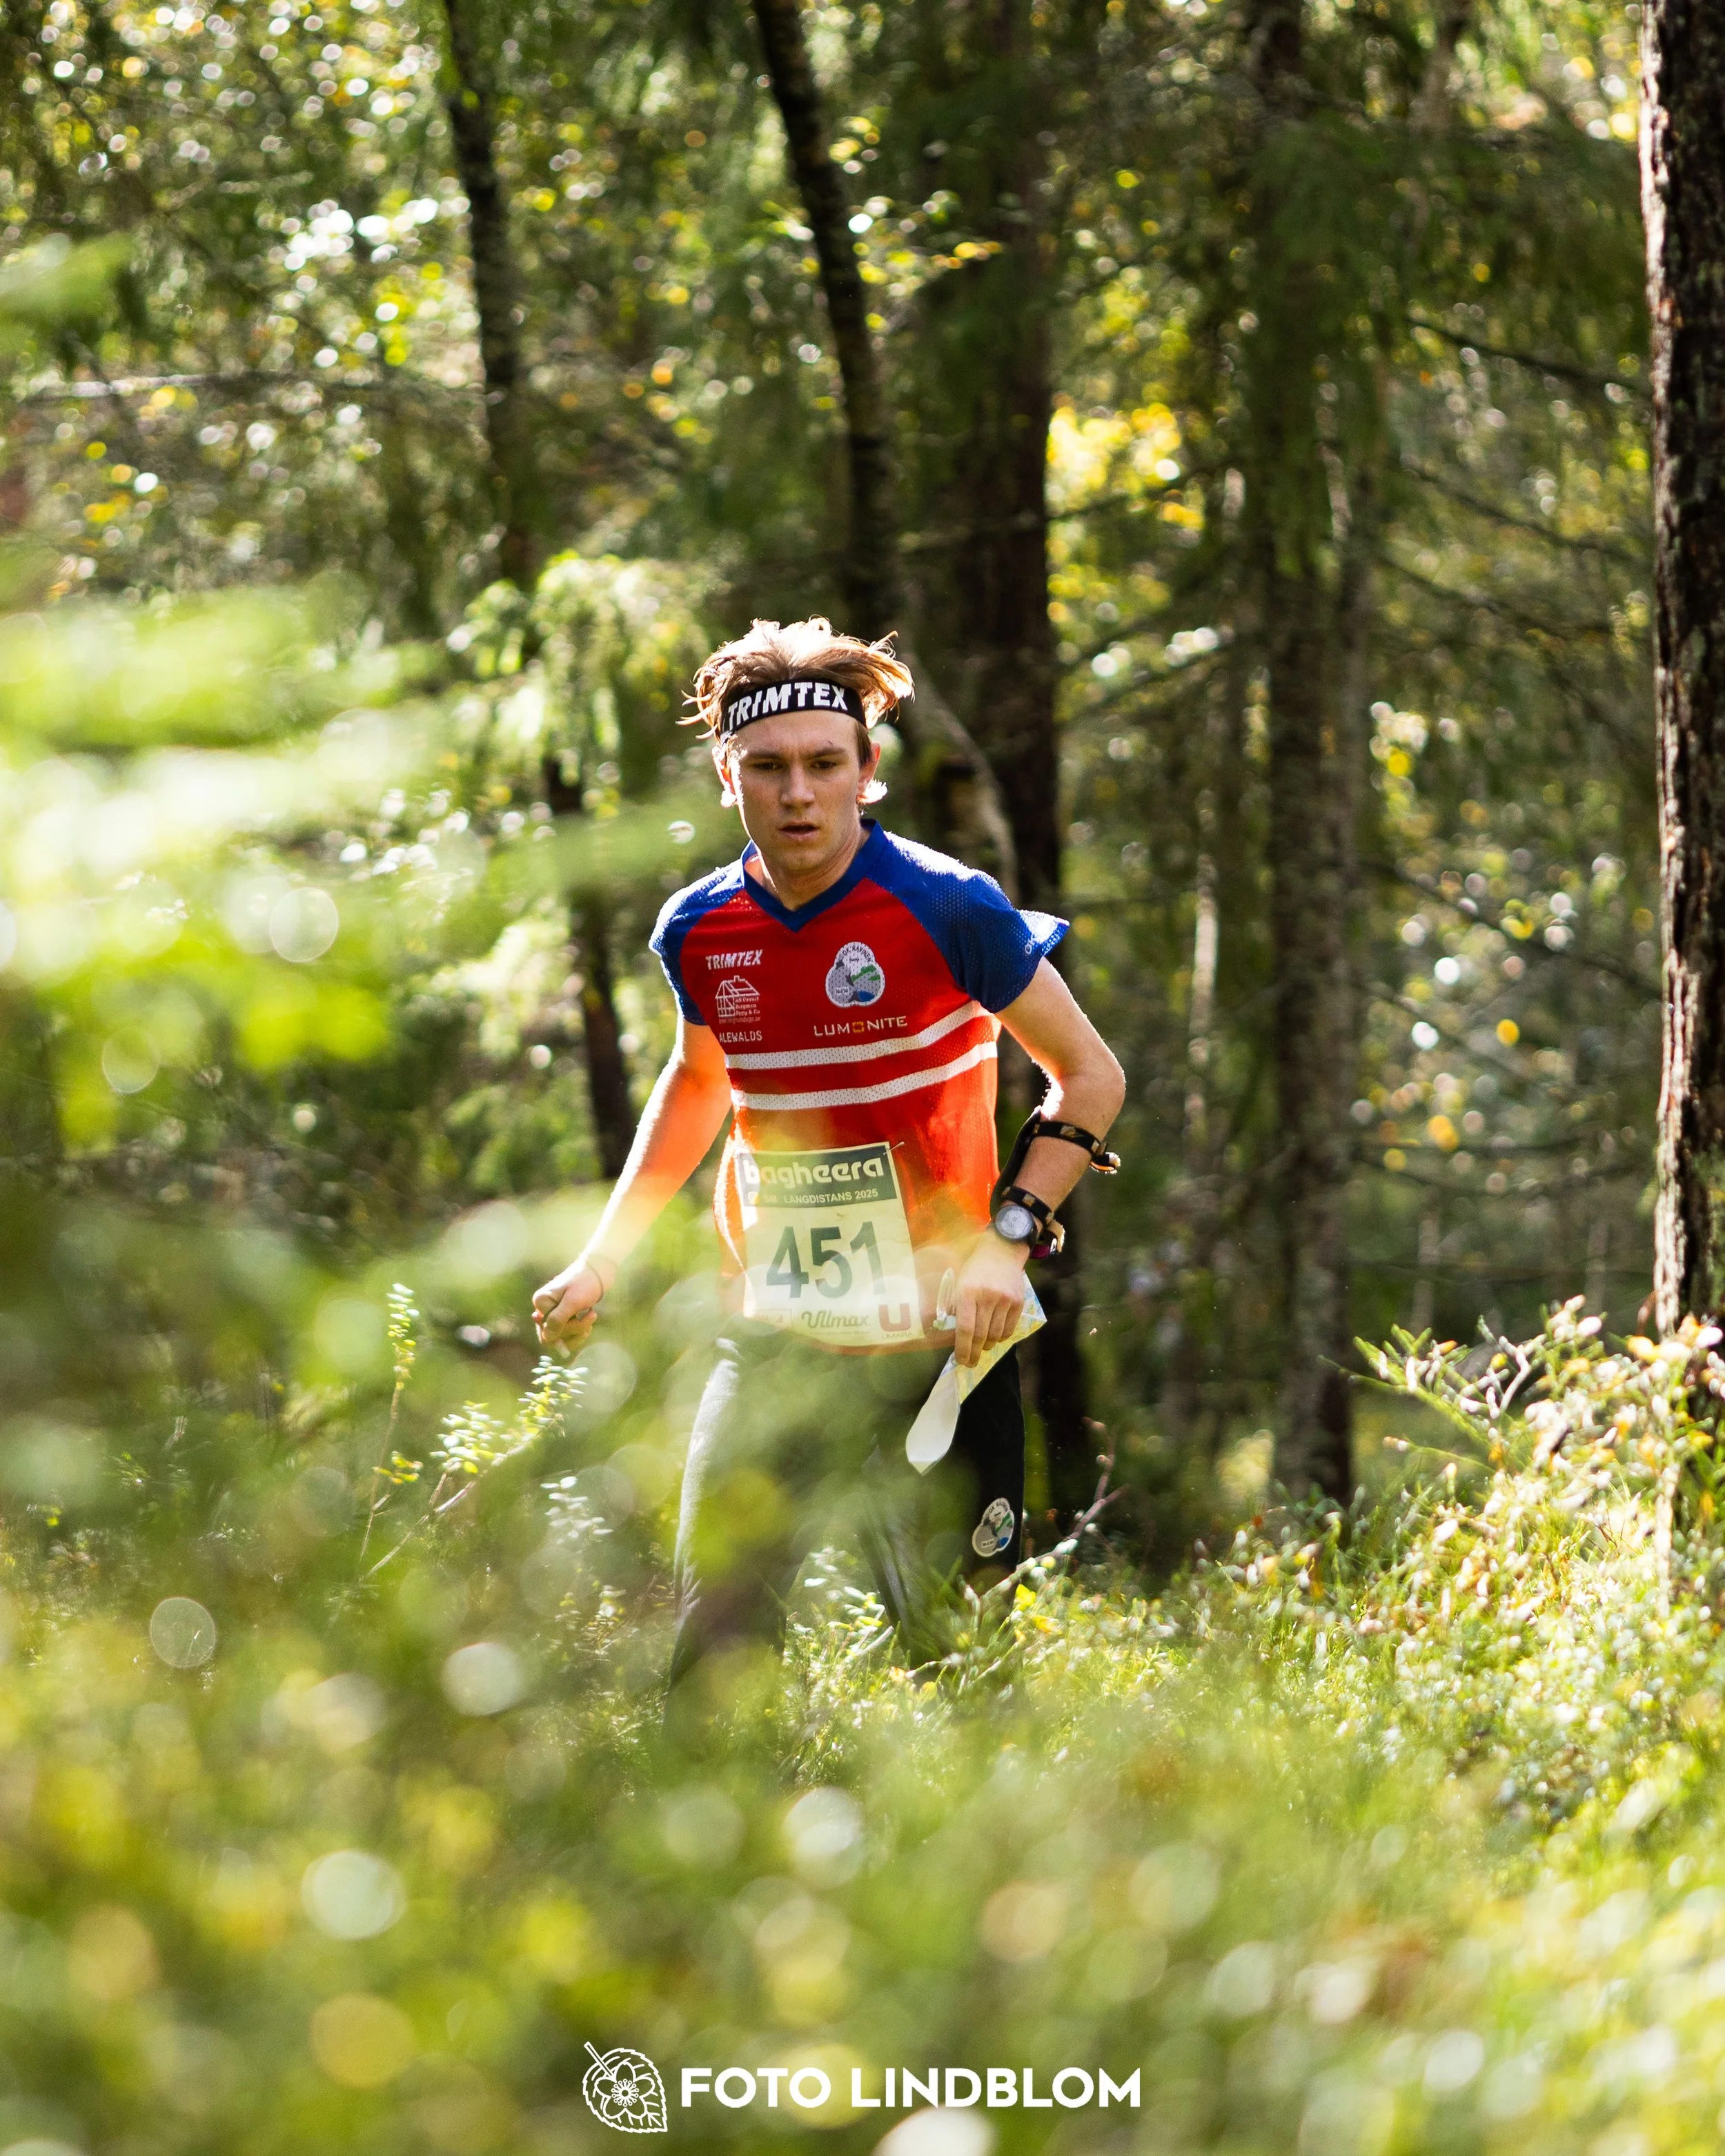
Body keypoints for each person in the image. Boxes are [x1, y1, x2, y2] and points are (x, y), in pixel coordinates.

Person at [531, 617, 1125, 1695]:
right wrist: (601, 1258)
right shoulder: (699, 929)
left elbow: (1091, 1078)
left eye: (822, 765)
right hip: (776, 1336)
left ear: (868, 772)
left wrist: (1009, 1242)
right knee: (712, 1661)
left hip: (945, 1341)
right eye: (768, 768)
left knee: (963, 1665)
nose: (797, 793)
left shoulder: (951, 906)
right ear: (728, 776)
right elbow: (700, 1083)